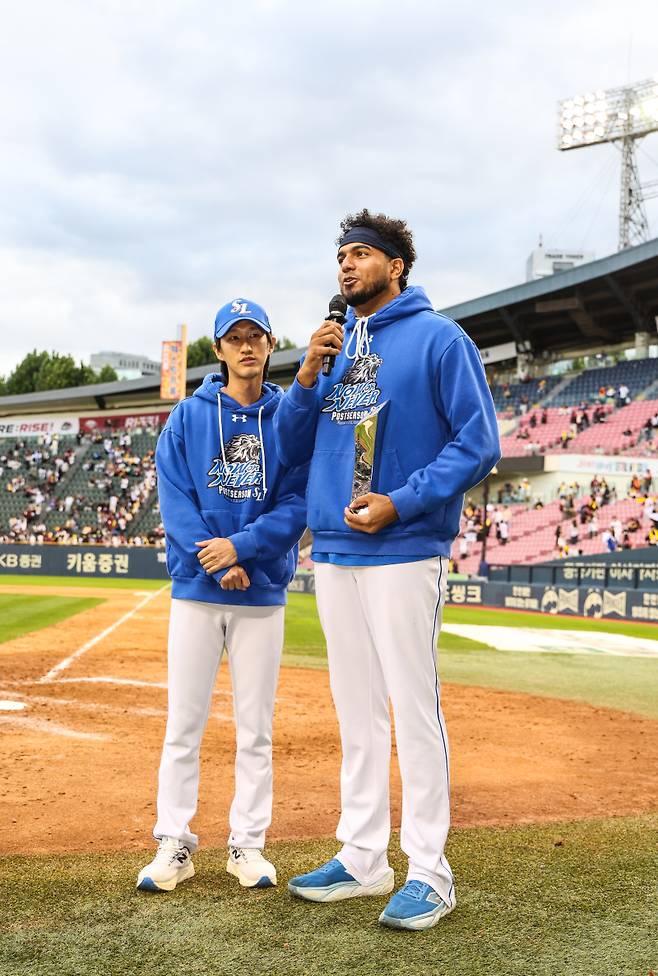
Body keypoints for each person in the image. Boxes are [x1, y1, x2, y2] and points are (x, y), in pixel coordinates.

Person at [274, 209, 500, 931]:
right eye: (341, 255)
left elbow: (479, 441)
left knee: (413, 708)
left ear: (396, 264)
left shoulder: (440, 338)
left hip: (403, 548)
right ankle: (364, 856)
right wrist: (307, 374)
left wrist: (402, 502)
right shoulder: (336, 349)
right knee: (357, 712)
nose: (347, 265)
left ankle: (431, 872)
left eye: (362, 253)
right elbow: (287, 445)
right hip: (335, 551)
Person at [136, 299, 307, 894]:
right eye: (234, 338)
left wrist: (241, 549)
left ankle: (248, 845)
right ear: (219, 349)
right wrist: (217, 559)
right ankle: (174, 842)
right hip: (199, 592)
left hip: (259, 593)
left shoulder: (288, 415)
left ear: (269, 342)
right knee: (184, 722)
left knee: (255, 728)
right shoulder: (186, 416)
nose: (246, 347)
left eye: (255, 336)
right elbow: (176, 499)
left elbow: (297, 503)